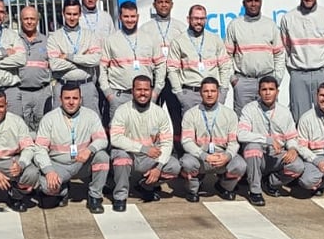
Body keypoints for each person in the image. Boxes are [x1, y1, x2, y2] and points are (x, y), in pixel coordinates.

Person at [236, 76, 320, 205]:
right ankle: (255, 191)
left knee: (297, 166)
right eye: (264, 89)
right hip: (257, 156)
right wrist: (266, 140)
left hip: (276, 155)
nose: (267, 93)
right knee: (253, 148)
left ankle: (270, 182)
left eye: (271, 89)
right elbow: (241, 134)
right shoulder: (250, 109)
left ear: (277, 92)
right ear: (259, 92)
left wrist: (292, 148)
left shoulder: (284, 112)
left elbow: (291, 137)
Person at [31, 83, 113, 213]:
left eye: (75, 98)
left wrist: (89, 150)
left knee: (102, 157)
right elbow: (40, 148)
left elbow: (102, 139)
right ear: (60, 99)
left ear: (81, 99)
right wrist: (49, 171)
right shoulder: (49, 118)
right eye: (67, 98)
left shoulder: (91, 115)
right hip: (58, 165)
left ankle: (95, 196)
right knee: (47, 188)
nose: (71, 102)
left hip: (82, 163)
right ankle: (63, 190)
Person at [109, 75, 181, 203]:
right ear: (132, 91)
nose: (142, 93)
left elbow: (167, 143)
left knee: (174, 166)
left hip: (149, 158)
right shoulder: (122, 110)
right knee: (121, 157)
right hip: (129, 155)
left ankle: (146, 185)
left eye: (146, 90)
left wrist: (158, 168)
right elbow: (115, 138)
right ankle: (120, 196)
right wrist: (143, 148)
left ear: (151, 91)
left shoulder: (159, 112)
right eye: (138, 89)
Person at [178, 77, 247, 202]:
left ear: (218, 92)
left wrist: (227, 156)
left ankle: (224, 186)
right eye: (206, 91)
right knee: (187, 163)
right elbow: (186, 141)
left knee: (240, 165)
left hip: (222, 158)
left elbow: (234, 142)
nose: (209, 94)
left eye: (213, 91)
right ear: (200, 93)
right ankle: (193, 189)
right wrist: (204, 156)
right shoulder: (191, 114)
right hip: (200, 158)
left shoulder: (230, 114)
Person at [280, 0, 324, 119]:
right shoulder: (288, 18)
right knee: (299, 117)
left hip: (323, 73)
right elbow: (286, 49)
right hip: (298, 75)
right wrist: (295, 71)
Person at [99, 1, 166, 120]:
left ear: (137, 17)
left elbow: (160, 65)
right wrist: (109, 94)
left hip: (144, 97)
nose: (130, 20)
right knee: (118, 130)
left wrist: (156, 91)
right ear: (120, 18)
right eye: (126, 16)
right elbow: (102, 68)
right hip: (119, 96)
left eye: (133, 16)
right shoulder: (111, 40)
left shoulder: (150, 39)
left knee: (146, 129)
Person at [225, 0, 286, 110]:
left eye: (256, 1)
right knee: (242, 118)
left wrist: (277, 79)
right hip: (243, 82)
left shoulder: (270, 25)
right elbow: (227, 55)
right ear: (244, 3)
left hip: (266, 79)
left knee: (269, 117)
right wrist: (234, 80)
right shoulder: (235, 25)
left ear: (261, 2)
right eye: (250, 1)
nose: (253, 4)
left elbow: (279, 54)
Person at [168, 5, 234, 113]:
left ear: (206, 20)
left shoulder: (215, 39)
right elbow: (172, 70)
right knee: (191, 124)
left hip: (212, 94)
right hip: (190, 94)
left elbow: (225, 66)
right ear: (188, 19)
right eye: (195, 18)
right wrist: (180, 94)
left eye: (202, 19)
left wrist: (223, 91)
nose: (199, 22)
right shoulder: (178, 41)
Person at [47, 0, 104, 115]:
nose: (72, 18)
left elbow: (96, 60)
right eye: (68, 14)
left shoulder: (90, 35)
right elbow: (54, 65)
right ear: (63, 13)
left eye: (75, 14)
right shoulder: (54, 37)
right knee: (60, 122)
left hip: (86, 87)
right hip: (63, 86)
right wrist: (83, 60)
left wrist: (69, 57)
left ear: (80, 14)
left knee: (92, 122)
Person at [16, 6, 53, 130]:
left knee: (44, 127)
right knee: (21, 127)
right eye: (26, 18)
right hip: (21, 92)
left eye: (32, 19)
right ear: (20, 20)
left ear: (37, 20)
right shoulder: (14, 40)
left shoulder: (47, 41)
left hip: (42, 92)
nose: (29, 22)